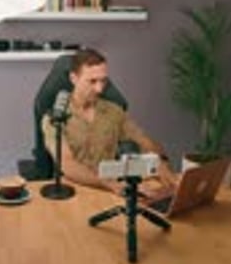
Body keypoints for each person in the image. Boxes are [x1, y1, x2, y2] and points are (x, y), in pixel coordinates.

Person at [41, 48, 177, 195]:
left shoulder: (114, 111)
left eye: (103, 81)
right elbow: (67, 164)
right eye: (92, 81)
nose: (99, 89)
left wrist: (160, 160)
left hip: (111, 191)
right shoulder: (55, 117)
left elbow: (143, 140)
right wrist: (108, 183)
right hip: (74, 191)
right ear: (74, 78)